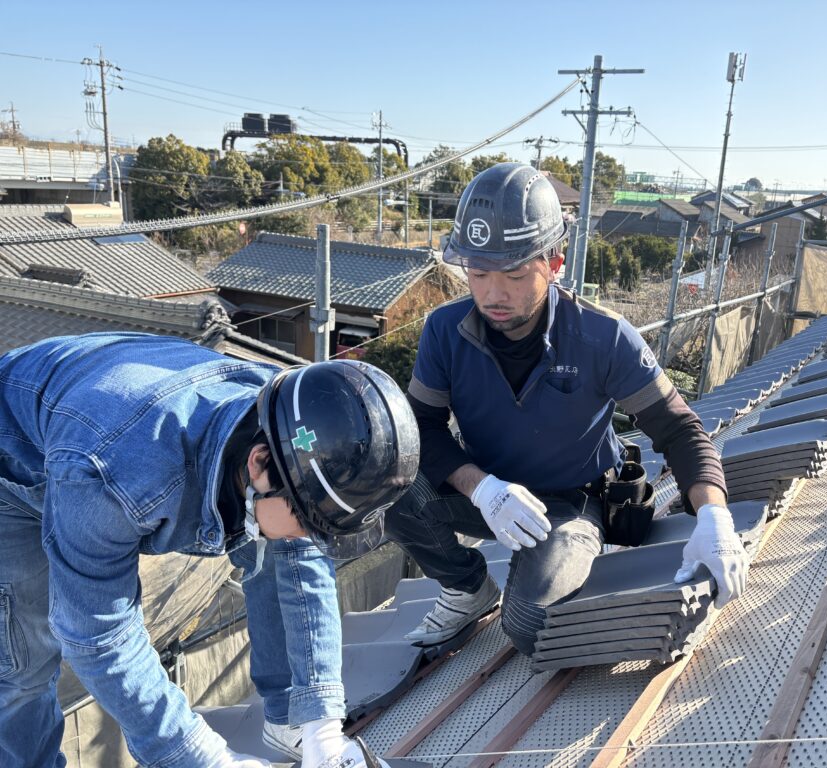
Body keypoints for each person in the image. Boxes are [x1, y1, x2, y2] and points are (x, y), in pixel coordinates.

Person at [0, 332, 416, 768]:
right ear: (257, 463)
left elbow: (303, 554)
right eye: (312, 524)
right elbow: (97, 634)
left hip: (93, 408)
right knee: (21, 663)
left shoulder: (296, 421)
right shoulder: (115, 477)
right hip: (18, 460)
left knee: (283, 542)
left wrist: (323, 726)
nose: (313, 542)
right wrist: (203, 756)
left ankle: (288, 718)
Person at [384, 162, 750, 655]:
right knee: (379, 476)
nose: (493, 292)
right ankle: (467, 588)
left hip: (568, 500)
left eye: (514, 272)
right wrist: (483, 488)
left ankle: (542, 567)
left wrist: (713, 516)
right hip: (486, 492)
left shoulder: (602, 337)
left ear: (554, 264)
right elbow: (421, 428)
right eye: (477, 271)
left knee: (532, 625)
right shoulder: (446, 331)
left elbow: (678, 428)